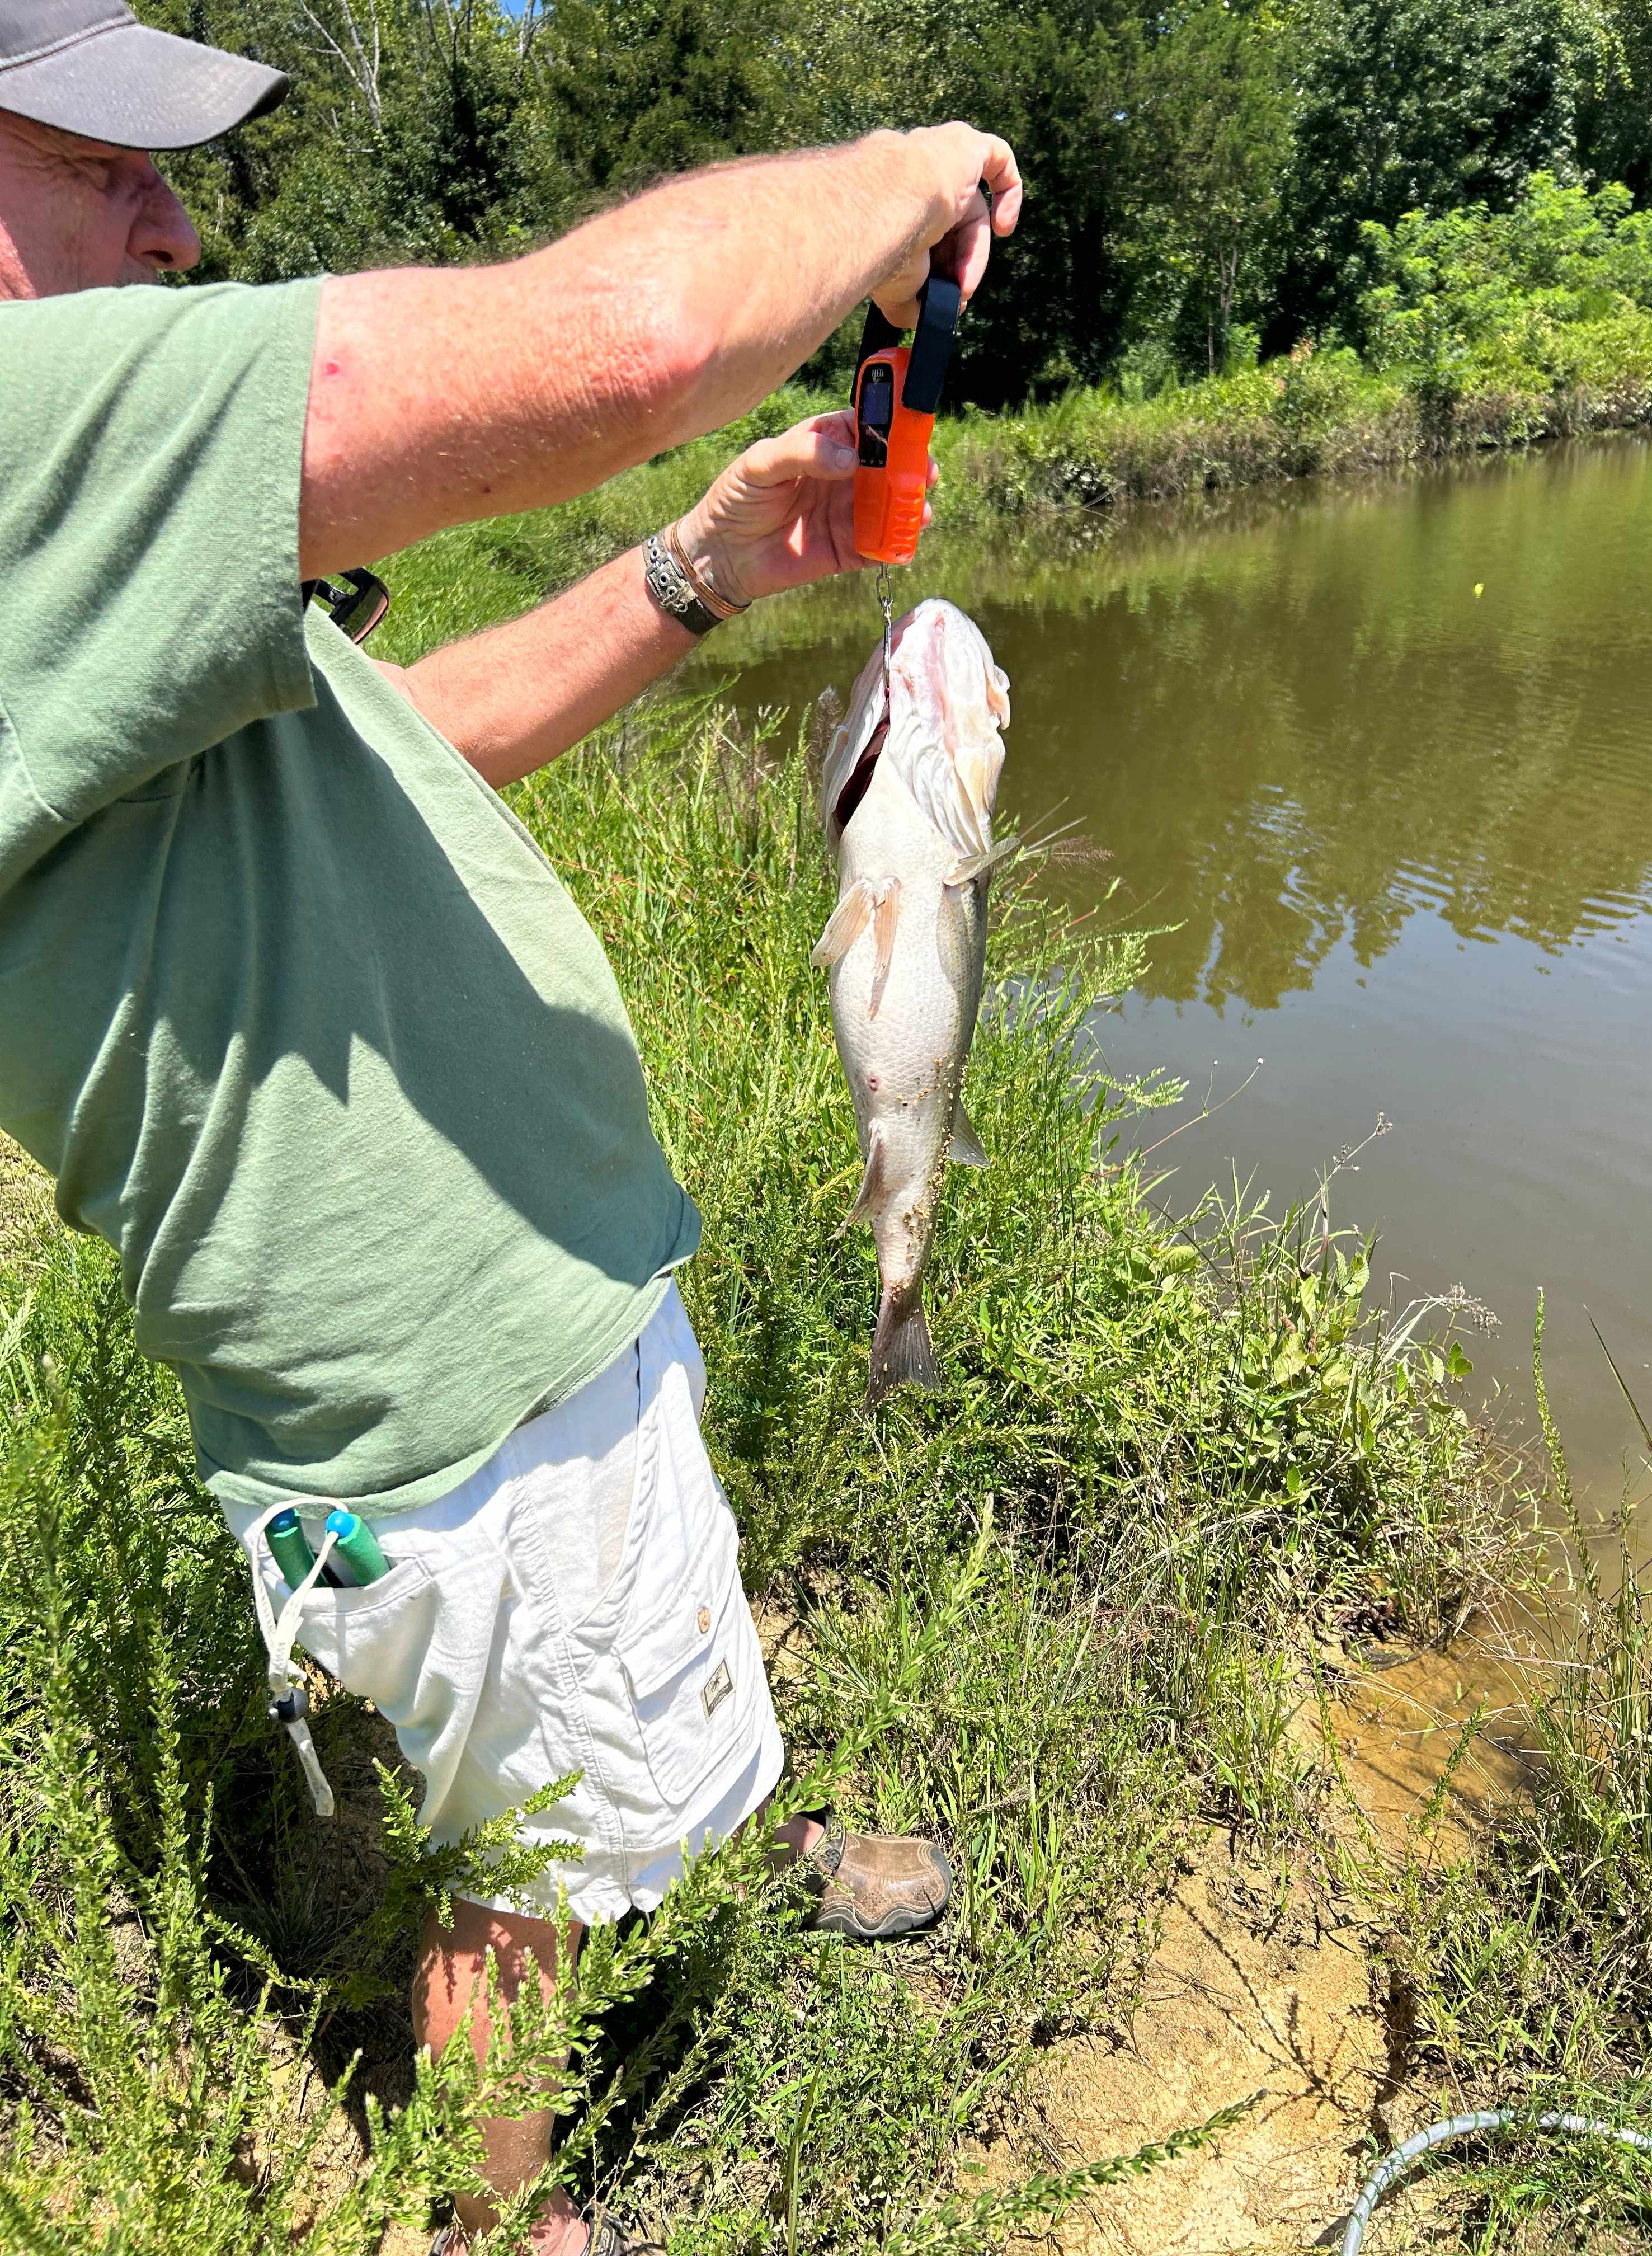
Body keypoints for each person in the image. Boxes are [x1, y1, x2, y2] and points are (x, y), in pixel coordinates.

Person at [0, 3, 1022, 2249]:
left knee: (637, 1632)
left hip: (547, 1286)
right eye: (102, 168)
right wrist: (906, 174)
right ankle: (498, 2226)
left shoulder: (90, 562)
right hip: (450, 1394)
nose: (175, 227)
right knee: (525, 1891)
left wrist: (697, 574)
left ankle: (731, 1810)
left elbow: (409, 738)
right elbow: (641, 334)